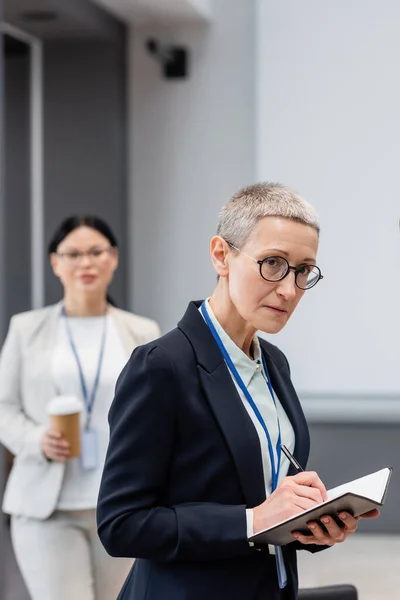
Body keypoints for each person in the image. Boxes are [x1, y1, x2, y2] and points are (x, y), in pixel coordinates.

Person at [97, 183, 379, 600]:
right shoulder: (162, 365)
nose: (290, 289)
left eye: (303, 270)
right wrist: (253, 521)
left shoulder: (274, 363)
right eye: (273, 264)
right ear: (221, 255)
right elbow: (122, 524)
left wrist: (313, 525)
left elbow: (262, 505)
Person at [0, 215, 160, 600]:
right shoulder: (27, 328)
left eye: (95, 252)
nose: (85, 263)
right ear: (55, 262)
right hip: (46, 507)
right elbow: (3, 406)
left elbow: (158, 414)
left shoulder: (143, 332)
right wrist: (36, 439)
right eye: (73, 254)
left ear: (114, 258)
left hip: (121, 505)